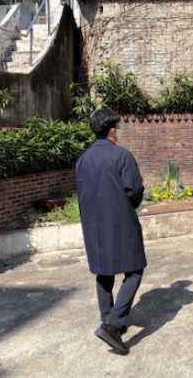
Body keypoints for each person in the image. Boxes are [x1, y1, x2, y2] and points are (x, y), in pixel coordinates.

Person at [75, 108, 146, 355]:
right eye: (119, 126)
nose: (120, 130)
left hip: (93, 224)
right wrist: (136, 204)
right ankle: (113, 325)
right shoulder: (121, 155)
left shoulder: (83, 159)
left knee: (104, 271)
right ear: (112, 130)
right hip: (120, 221)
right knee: (134, 269)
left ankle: (108, 318)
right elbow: (134, 190)